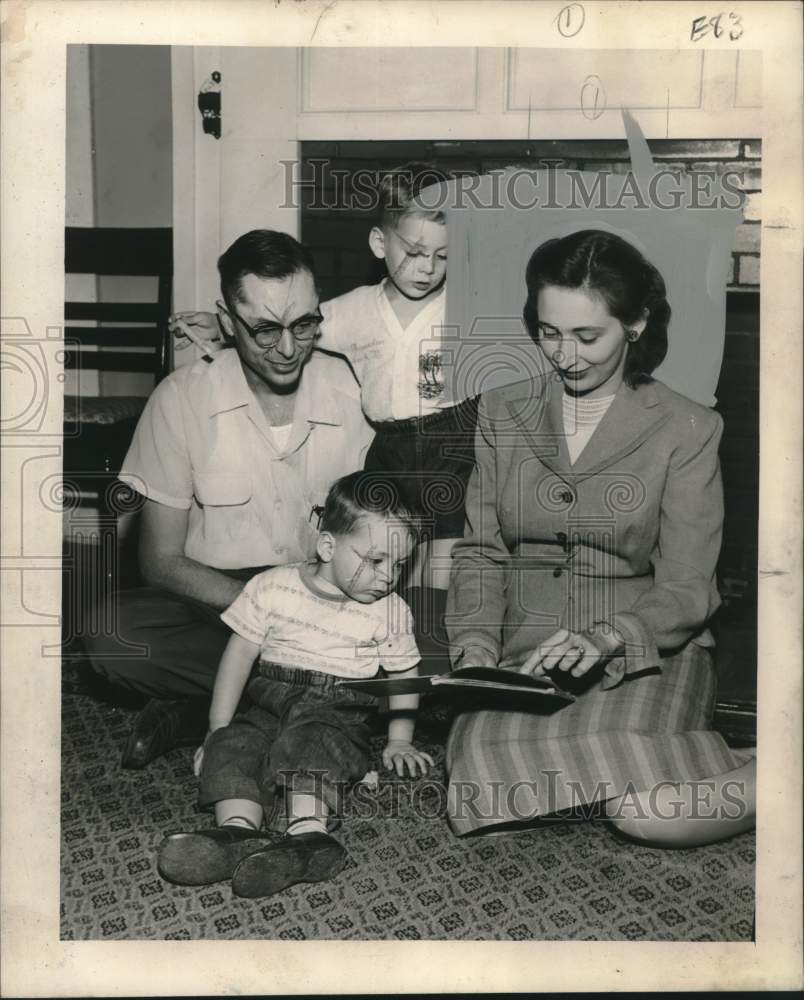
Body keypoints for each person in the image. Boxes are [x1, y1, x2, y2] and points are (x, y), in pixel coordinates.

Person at [445, 229, 756, 848]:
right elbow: (481, 552)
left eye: (589, 336)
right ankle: (692, 765)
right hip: (524, 657)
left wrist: (609, 636)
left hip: (645, 651)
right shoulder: (501, 411)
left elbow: (690, 586)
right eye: (548, 331)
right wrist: (476, 651)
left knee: (650, 815)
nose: (565, 355)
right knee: (482, 791)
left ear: (636, 324)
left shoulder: (688, 427)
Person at [82, 230, 374, 769]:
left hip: (329, 597)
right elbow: (161, 561)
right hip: (220, 601)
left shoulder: (355, 389)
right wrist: (266, 611)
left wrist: (324, 608)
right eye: (265, 329)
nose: (288, 349)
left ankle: (214, 703)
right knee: (111, 636)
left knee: (435, 633)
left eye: (304, 324)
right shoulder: (180, 398)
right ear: (225, 322)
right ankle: (301, 696)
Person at [172, 163, 478, 672]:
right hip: (389, 443)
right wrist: (221, 328)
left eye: (443, 255)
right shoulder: (354, 310)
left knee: (443, 550)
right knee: (385, 543)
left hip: (451, 437)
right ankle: (363, 637)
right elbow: (290, 326)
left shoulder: (465, 307)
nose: (427, 267)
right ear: (380, 243)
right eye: (415, 252)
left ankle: (430, 653)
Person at [157, 471, 432, 898]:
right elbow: (239, 656)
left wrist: (399, 739)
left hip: (336, 704)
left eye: (399, 564)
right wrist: (216, 727)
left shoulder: (389, 611)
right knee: (235, 746)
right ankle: (236, 832)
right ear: (328, 546)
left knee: (314, 747)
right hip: (268, 696)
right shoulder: (272, 587)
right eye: (375, 560)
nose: (388, 576)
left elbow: (403, 676)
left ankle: (307, 836)